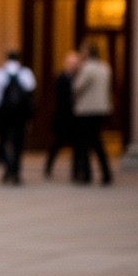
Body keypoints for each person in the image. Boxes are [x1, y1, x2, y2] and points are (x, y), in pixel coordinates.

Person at [0, 50, 36, 184]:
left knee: (3, 140)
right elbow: (30, 94)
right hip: (20, 114)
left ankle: (8, 166)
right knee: (18, 142)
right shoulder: (26, 73)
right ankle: (15, 169)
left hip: (4, 113)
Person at [72, 40, 113, 184]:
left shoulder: (87, 68)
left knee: (85, 143)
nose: (80, 54)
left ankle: (86, 174)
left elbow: (77, 87)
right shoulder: (105, 67)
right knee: (96, 141)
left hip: (87, 110)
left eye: (82, 51)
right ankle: (106, 173)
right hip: (101, 109)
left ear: (88, 53)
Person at [44, 50, 79, 179]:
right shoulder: (61, 78)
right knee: (57, 143)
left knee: (77, 146)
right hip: (63, 117)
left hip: (75, 118)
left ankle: (76, 171)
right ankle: (48, 167)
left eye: (75, 63)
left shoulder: (79, 77)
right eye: (70, 63)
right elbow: (59, 98)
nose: (73, 65)